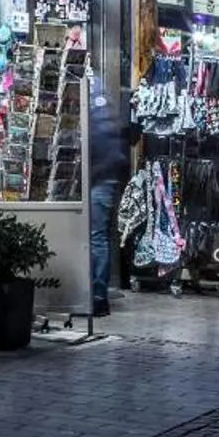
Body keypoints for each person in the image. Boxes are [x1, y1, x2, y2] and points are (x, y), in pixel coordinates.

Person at [86, 87, 130, 318]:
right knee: (97, 236)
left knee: (96, 237)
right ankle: (95, 295)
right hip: (101, 178)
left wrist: (91, 174)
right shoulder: (102, 106)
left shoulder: (96, 110)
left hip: (99, 179)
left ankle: (98, 296)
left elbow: (107, 152)